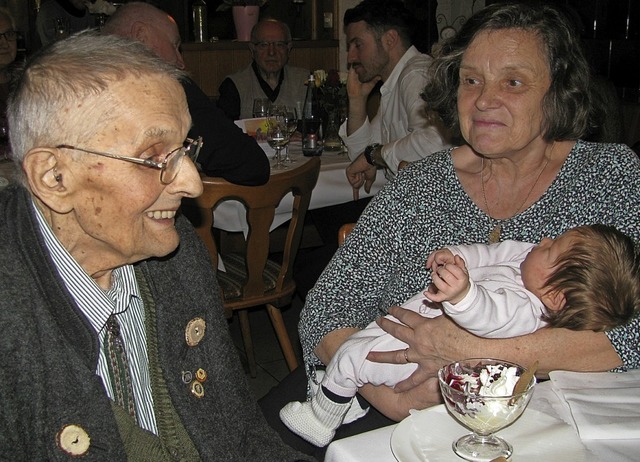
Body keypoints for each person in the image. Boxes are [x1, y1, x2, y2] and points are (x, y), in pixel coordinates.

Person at [258, 1, 640, 457]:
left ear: (558, 93)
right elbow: (324, 310)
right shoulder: (421, 185)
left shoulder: (610, 176)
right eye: (471, 79)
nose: (483, 100)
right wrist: (391, 399)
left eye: (513, 82)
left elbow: (628, 336)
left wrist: (469, 348)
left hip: (535, 417)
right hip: (374, 393)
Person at [0, 30, 312, 460]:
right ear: (54, 177)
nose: (191, 182)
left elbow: (239, 433)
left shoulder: (178, 254)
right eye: (154, 157)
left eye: (185, 147)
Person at [279, 224, 640, 446]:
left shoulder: (524, 308)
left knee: (355, 355)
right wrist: (456, 255)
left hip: (414, 357)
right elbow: (492, 251)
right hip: (414, 326)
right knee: (358, 349)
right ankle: (350, 404)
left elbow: (487, 316)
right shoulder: (526, 261)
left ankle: (320, 419)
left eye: (551, 248)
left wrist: (464, 294)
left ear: (555, 297)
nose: (543, 240)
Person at [102, 2, 270, 186]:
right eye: (175, 46)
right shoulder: (165, 86)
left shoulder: (74, 79)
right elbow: (252, 165)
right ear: (141, 36)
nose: (180, 62)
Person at [341, 0, 451, 196]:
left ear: (390, 39)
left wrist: (375, 155)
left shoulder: (416, 74)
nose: (350, 57)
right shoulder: (394, 83)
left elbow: (435, 143)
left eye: (358, 44)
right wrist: (357, 99)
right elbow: (360, 157)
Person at [217, 19, 309, 121]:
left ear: (289, 48)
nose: (272, 52)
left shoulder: (305, 81)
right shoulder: (235, 85)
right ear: (252, 50)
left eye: (279, 45)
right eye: (264, 45)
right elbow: (224, 131)